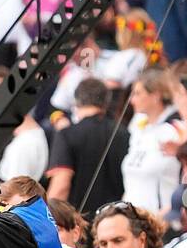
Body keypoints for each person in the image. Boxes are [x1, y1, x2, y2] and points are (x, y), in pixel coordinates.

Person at [46, 78, 130, 220]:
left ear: (76, 102)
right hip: (115, 221)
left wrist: (46, 220)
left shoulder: (67, 134)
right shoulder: (124, 133)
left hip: (79, 225)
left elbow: (61, 185)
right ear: (106, 102)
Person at [122, 70, 184, 218]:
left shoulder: (175, 129)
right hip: (132, 221)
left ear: (155, 96)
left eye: (137, 94)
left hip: (160, 221)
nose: (132, 100)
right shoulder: (138, 128)